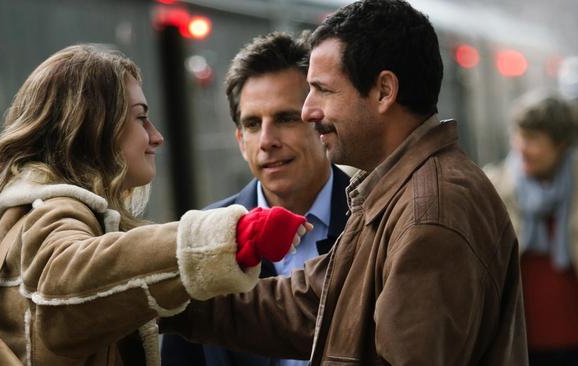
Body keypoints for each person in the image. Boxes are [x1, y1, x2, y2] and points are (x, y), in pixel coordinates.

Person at [159, 1, 528, 365]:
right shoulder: (397, 195)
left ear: (384, 91)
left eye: (323, 90)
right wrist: (150, 295)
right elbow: (305, 307)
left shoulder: (428, 214)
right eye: (253, 124)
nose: (309, 110)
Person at [0, 44, 310, 366]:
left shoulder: (59, 214)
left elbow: (227, 311)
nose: (156, 136)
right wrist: (231, 234)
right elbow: (65, 281)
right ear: (94, 127)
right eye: (141, 117)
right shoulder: (54, 211)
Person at [161, 32, 350, 366]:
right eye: (252, 124)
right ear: (239, 140)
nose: (266, 140)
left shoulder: (371, 218)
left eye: (285, 118)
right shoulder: (201, 240)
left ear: (321, 124)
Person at [484, 92, 578, 365]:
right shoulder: (495, 186)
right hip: (518, 346)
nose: (522, 148)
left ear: (561, 144)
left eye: (533, 139)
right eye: (519, 136)